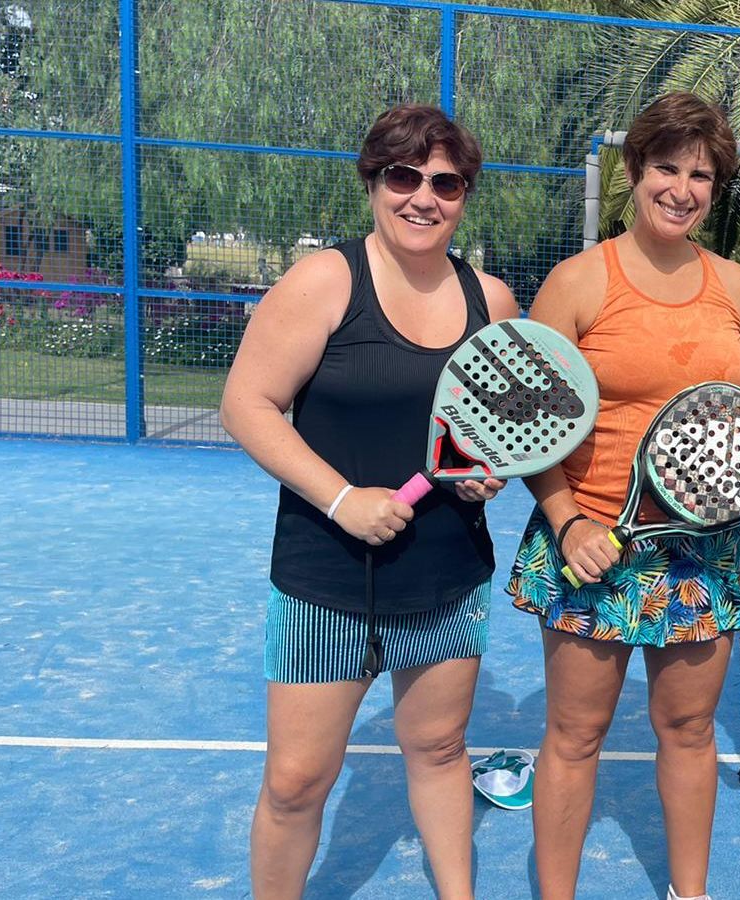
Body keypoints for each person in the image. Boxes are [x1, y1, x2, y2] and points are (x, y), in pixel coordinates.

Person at [220, 104, 517, 900]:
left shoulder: (493, 301)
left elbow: (489, 434)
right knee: (294, 782)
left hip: (447, 572)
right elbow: (246, 404)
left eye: (445, 182)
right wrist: (343, 497)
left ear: (464, 195)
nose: (424, 197)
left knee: (441, 750)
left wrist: (486, 471)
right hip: (325, 574)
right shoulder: (325, 280)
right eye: (404, 176)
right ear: (375, 182)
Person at [506, 92, 740, 900]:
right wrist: (565, 523)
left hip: (703, 552)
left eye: (701, 174)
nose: (682, 188)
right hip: (591, 544)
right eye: (667, 167)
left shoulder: (734, 287)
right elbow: (527, 422)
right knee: (575, 733)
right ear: (634, 172)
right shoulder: (577, 283)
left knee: (690, 730)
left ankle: (687, 893)